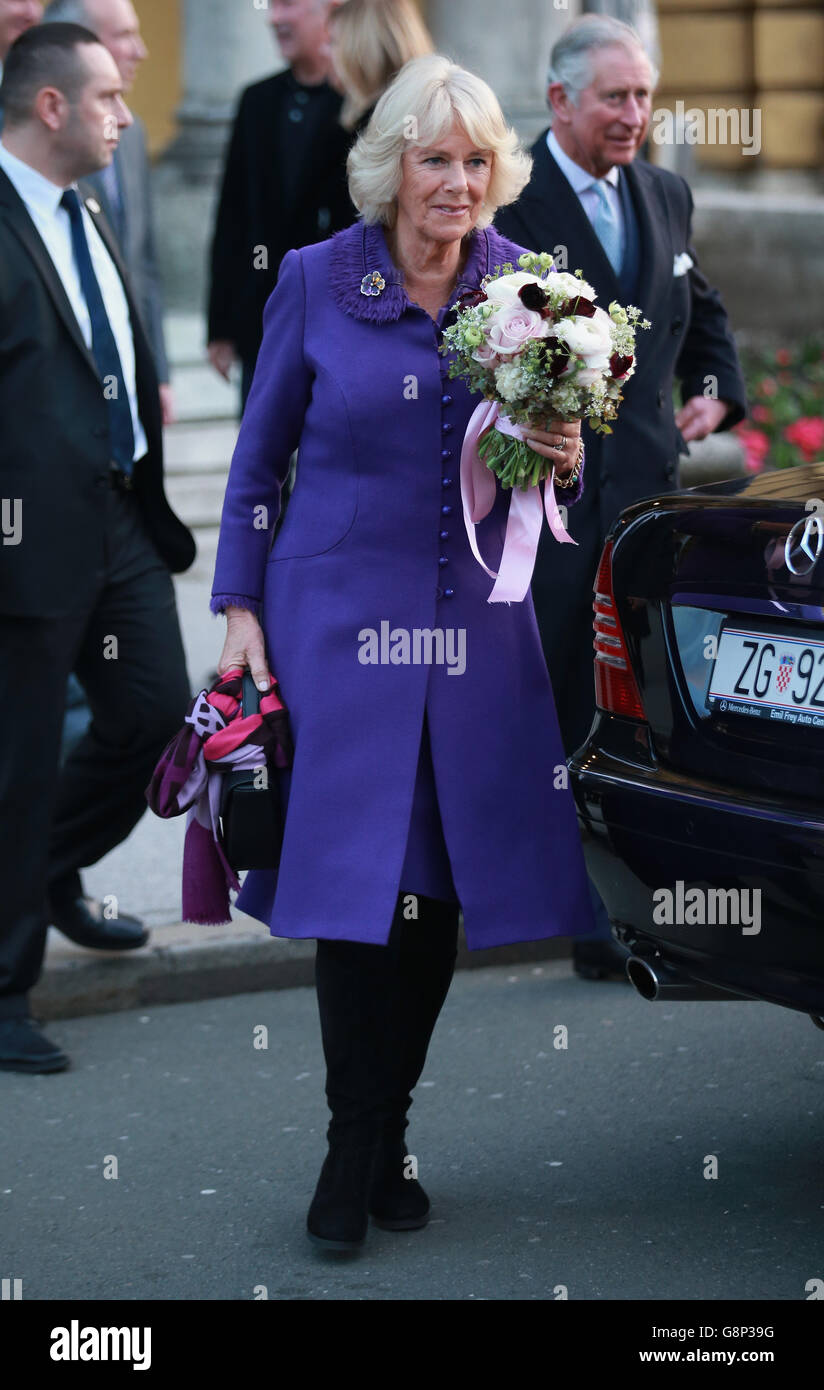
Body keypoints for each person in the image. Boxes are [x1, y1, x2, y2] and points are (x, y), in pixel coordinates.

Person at [209, 53, 597, 1253]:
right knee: (354, 897)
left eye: (476, 160)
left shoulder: (527, 288)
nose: (457, 181)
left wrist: (558, 447)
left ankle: (388, 1132)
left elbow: (551, 458)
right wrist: (238, 607)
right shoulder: (320, 281)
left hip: (474, 634)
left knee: (433, 899)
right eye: (434, 157)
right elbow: (258, 460)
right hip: (339, 630)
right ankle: (348, 1145)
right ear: (391, 165)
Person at [496, 15, 746, 980]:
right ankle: (588, 916)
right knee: (571, 709)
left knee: (649, 703)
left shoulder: (664, 190)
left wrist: (716, 383)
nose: (635, 114)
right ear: (561, 101)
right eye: (615, 97)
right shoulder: (509, 201)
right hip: (550, 509)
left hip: (647, 504)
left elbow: (702, 302)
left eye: (644, 96)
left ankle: (657, 900)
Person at [0, 23, 195, 1073]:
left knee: (155, 712)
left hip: (122, 516)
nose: (126, 114)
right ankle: (2, 990)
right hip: (26, 537)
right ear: (52, 108)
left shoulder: (90, 205)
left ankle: (43, 870)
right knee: (19, 760)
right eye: (110, 97)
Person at [207, 0, 355, 410]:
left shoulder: (364, 103)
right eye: (271, 6)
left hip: (341, 315)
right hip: (265, 315)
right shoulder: (257, 100)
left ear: (332, 11)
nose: (274, 17)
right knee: (261, 452)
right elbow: (232, 213)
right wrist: (220, 324)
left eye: (287, 5)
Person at [44, 0, 175, 423]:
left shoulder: (132, 132)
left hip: (128, 379)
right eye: (124, 35)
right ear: (80, 45)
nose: (141, 50)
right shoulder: (38, 141)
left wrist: (158, 371)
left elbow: (144, 266)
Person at [326, 0, 433, 133]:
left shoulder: (398, 125)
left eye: (333, 41)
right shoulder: (428, 110)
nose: (325, 51)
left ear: (363, 49)